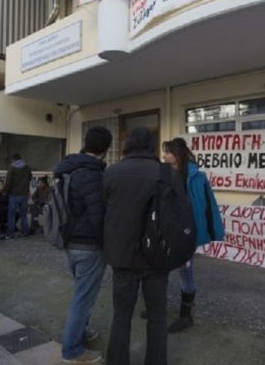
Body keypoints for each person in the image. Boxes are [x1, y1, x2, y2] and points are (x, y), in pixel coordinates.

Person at [103, 127, 175, 365]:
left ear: (128, 145)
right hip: (157, 256)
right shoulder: (166, 173)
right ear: (152, 146)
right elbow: (177, 216)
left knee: (122, 315)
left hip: (122, 256)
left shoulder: (112, 172)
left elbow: (103, 212)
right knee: (157, 316)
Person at [54, 126, 113, 364]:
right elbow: (98, 217)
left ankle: (80, 332)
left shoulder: (68, 169)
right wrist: (106, 246)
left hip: (70, 241)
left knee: (81, 292)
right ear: (105, 150)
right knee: (83, 297)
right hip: (88, 244)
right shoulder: (92, 175)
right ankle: (73, 350)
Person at [161, 137, 225, 332]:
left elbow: (208, 204)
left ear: (178, 154)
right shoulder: (163, 174)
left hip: (187, 233)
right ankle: (158, 307)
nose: (164, 156)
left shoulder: (198, 176)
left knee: (185, 271)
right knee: (160, 268)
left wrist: (212, 230)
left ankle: (186, 315)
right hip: (166, 231)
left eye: (168, 152)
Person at [4, 153, 32, 239]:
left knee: (11, 214)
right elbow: (30, 177)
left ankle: (10, 234)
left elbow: (8, 181)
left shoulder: (12, 167)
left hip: (14, 194)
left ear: (13, 159)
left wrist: (6, 191)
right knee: (23, 214)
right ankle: (24, 232)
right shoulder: (27, 167)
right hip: (24, 194)